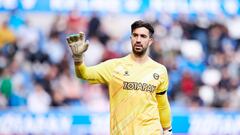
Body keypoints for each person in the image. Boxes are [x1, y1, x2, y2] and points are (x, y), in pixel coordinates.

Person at [66, 20, 172, 135]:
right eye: (135, 35)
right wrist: (78, 59)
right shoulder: (114, 66)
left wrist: (168, 130)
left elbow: (162, 104)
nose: (138, 40)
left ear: (150, 41)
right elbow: (84, 74)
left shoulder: (159, 70)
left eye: (143, 36)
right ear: (131, 38)